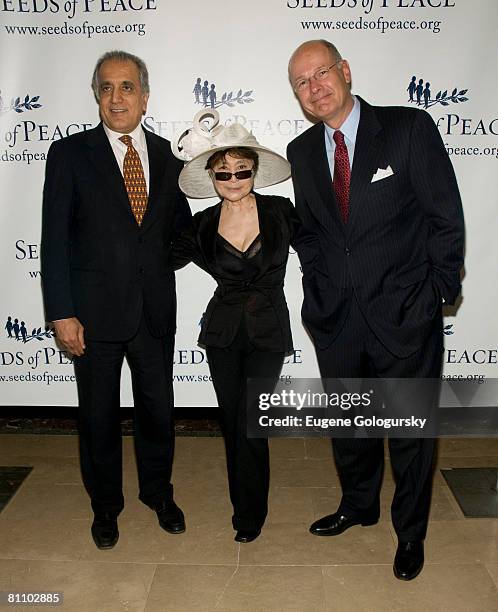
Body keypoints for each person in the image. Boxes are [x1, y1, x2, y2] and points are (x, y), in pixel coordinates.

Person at [287, 40, 464, 580]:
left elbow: (444, 216)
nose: (315, 87)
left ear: (345, 71)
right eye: (301, 82)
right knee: (350, 424)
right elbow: (314, 232)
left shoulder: (408, 128)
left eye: (321, 74)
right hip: (337, 316)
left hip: (406, 313)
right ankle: (357, 505)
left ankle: (410, 533)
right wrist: (317, 284)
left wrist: (437, 291)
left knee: (410, 432)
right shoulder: (299, 151)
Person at [41, 50, 192, 550]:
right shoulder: (70, 154)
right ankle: (105, 506)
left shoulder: (171, 157)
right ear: (96, 96)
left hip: (153, 313)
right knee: (98, 416)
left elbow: (181, 233)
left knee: (157, 411)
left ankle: (158, 494)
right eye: (106, 87)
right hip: (92, 316)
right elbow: (54, 240)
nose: (116, 97)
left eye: (127, 87)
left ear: (145, 97)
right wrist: (61, 311)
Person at [171, 110, 308, 543]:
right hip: (222, 334)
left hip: (268, 330)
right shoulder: (202, 225)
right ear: (211, 175)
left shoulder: (281, 212)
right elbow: (157, 257)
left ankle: (252, 513)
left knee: (253, 422)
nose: (233, 179)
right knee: (233, 423)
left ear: (254, 170)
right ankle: (244, 507)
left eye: (242, 171)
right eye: (223, 173)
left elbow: (325, 247)